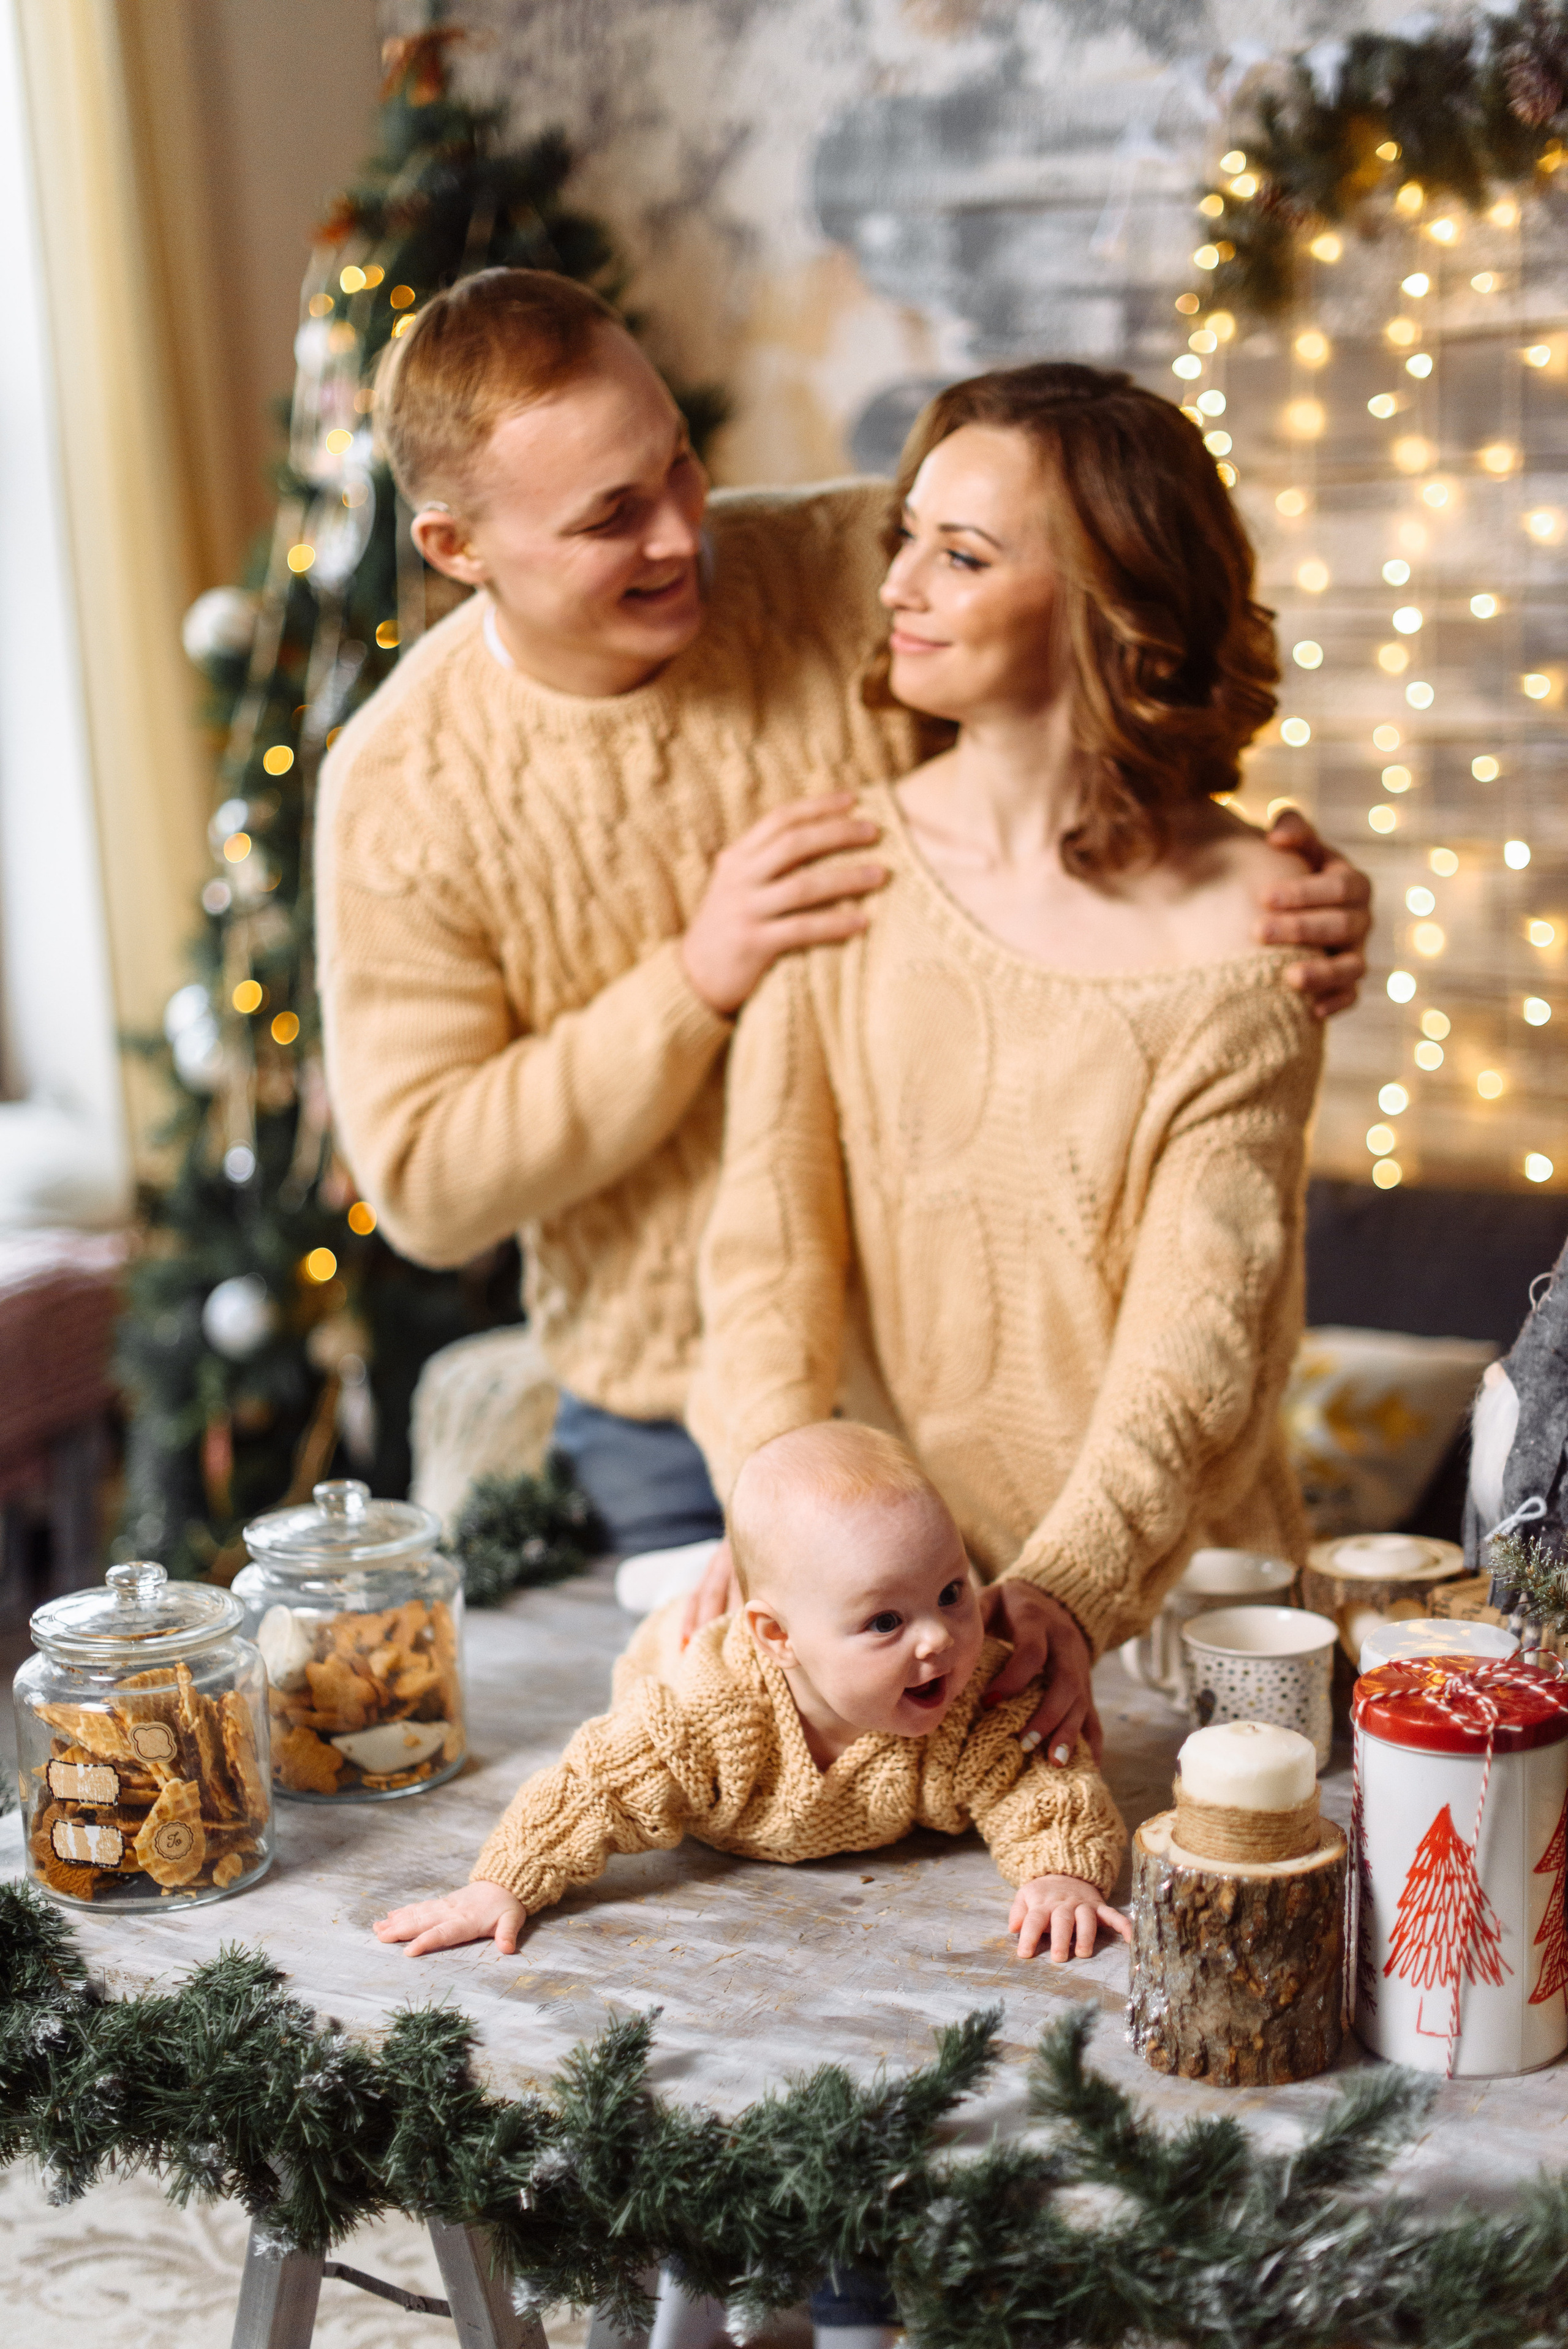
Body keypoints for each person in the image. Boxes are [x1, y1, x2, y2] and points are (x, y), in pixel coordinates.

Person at [317, 269, 1371, 1745]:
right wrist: (698, 977)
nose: (683, 529)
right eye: (609, 515)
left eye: (678, 459)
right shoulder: (401, 789)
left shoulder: (839, 561)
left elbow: (1086, 642)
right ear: (455, 545)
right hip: (690, 1399)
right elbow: (426, 1185)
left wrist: (1286, 896)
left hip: (1009, 1395)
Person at [688, 361, 1327, 1752]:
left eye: (960, 554)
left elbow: (1197, 1341)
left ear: (1110, 603)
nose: (899, 585)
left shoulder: (1251, 930)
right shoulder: (840, 868)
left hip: (1176, 1630)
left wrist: (1066, 1590)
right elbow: (763, 1268)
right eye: (904, 537)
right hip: (888, 1627)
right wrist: (779, 1529)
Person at [371, 1419, 1128, 1961]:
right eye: (888, 1619)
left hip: (791, 1625)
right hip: (672, 1655)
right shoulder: (704, 1716)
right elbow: (594, 1786)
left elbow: (1045, 1784)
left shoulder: (970, 1696)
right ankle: (690, 1574)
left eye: (953, 1591)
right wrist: (502, 1884)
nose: (937, 1639)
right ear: (777, 1640)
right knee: (669, 1634)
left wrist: (1060, 1870)